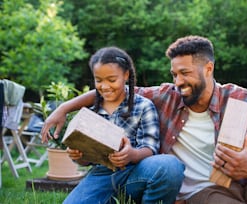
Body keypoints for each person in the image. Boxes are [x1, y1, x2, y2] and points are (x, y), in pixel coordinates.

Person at [42, 36, 247, 204]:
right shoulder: (166, 96)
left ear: (208, 69)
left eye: (185, 73)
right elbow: (116, 89)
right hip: (209, 192)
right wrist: (64, 107)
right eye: (174, 74)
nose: (178, 81)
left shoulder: (239, 98)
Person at [42, 47, 185, 204]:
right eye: (99, 80)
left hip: (136, 172)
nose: (105, 86)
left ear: (126, 75)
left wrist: (131, 154)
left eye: (111, 80)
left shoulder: (143, 106)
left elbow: (150, 149)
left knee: (170, 166)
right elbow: (86, 161)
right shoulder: (90, 113)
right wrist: (79, 156)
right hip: (101, 176)